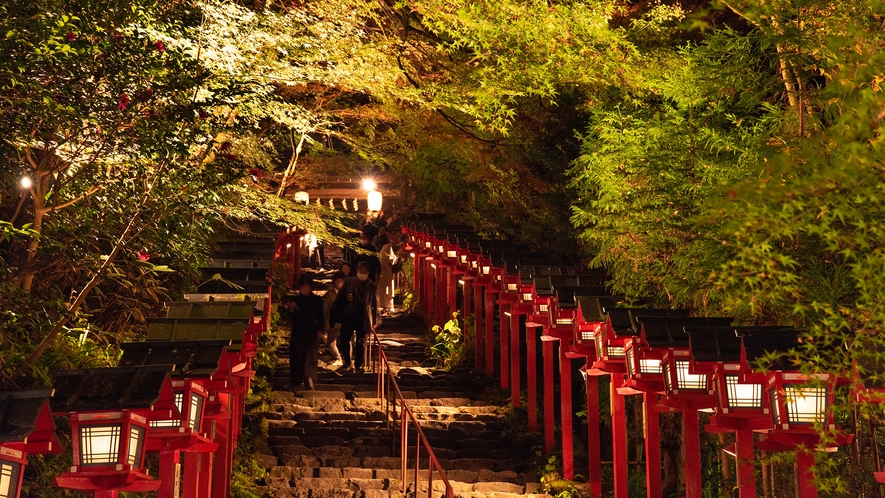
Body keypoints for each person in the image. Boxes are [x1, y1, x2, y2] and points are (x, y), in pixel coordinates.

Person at [333, 261, 378, 372]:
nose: (362, 273)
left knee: (361, 342)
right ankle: (347, 361)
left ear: (368, 273)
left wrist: (375, 320)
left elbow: (375, 305)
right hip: (348, 315)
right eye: (360, 271)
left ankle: (359, 364)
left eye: (364, 272)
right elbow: (340, 298)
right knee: (344, 339)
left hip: (363, 317)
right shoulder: (349, 282)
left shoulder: (372, 286)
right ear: (357, 271)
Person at [285, 275, 324, 390]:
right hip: (298, 332)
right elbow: (292, 317)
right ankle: (296, 381)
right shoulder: (296, 300)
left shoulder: (317, 301)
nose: (304, 289)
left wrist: (320, 330)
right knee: (297, 357)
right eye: (302, 286)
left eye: (306, 286)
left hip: (312, 332)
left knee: (310, 357)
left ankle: (309, 379)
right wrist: (291, 309)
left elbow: (321, 316)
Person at [323, 272, 345, 364]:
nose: (339, 283)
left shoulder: (347, 293)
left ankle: (344, 359)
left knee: (346, 342)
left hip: (344, 322)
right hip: (333, 322)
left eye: (341, 281)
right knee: (331, 342)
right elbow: (325, 309)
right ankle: (338, 358)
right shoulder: (330, 294)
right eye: (337, 281)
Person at [378, 236, 398, 312]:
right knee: (387, 286)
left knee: (383, 287)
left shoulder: (385, 247)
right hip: (386, 268)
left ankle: (383, 304)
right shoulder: (387, 247)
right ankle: (386, 305)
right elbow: (389, 258)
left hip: (385, 268)